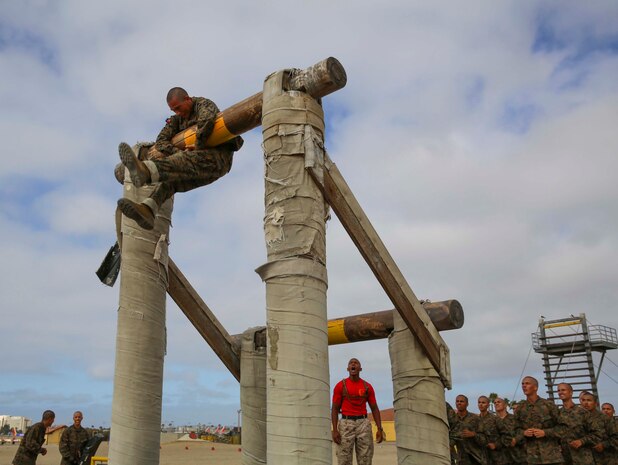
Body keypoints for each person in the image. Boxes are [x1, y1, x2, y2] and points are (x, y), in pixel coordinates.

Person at [117, 87, 243, 230]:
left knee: (183, 159)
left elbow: (207, 121)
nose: (177, 112)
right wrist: (177, 150)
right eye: (173, 110)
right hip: (198, 163)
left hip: (218, 158)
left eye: (178, 108)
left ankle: (145, 171)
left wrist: (197, 146)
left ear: (188, 99)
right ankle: (149, 210)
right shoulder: (177, 120)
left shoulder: (203, 104)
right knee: (171, 182)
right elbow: (161, 141)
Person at [331, 358, 384, 465]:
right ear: (348, 368)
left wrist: (379, 428)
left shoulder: (367, 387)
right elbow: (335, 409)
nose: (353, 364)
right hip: (346, 424)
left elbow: (374, 408)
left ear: (360, 368)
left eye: (356, 363)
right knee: (343, 460)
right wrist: (335, 430)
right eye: (351, 363)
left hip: (363, 423)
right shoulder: (340, 386)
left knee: (365, 459)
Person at [512, 376, 565, 464]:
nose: (524, 386)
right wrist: (523, 433)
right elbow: (514, 430)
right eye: (522, 384)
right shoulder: (520, 409)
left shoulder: (549, 405)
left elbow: (563, 428)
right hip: (530, 458)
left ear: (535, 387)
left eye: (527, 383)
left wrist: (545, 432)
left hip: (552, 457)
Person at [556, 383, 601, 465]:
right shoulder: (557, 414)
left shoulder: (583, 413)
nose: (560, 392)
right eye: (558, 390)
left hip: (583, 459)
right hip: (565, 459)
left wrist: (581, 441)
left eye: (563, 390)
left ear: (571, 392)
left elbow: (597, 434)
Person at [579, 392, 616, 465]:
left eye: (589, 400)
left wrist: (604, 445)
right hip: (584, 459)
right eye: (583, 400)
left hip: (605, 459)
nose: (586, 403)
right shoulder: (576, 419)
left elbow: (615, 437)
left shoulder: (605, 419)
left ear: (596, 404)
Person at [453, 394, 487, 464]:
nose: (459, 403)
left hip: (476, 459)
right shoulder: (453, 420)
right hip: (461, 460)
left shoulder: (476, 419)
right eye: (457, 401)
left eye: (461, 401)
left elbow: (484, 439)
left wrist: (473, 434)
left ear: (467, 404)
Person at [493, 397, 525, 465]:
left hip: (515, 456)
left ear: (505, 405)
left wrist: (516, 439)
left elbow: (522, 432)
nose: (496, 404)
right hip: (498, 458)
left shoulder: (514, 419)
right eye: (495, 403)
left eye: (499, 402)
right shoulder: (491, 421)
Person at [478, 396, 498, 464]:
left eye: (483, 402)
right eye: (479, 402)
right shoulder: (475, 420)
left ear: (488, 405)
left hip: (495, 456)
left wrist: (496, 445)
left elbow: (505, 435)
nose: (481, 404)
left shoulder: (495, 419)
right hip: (480, 456)